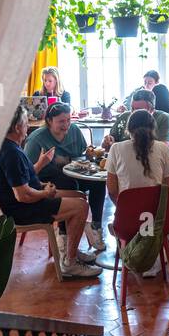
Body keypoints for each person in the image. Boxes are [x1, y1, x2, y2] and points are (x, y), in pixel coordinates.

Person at [0, 104, 100, 278]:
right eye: (26, 123)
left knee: (79, 196)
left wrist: (41, 182)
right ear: (17, 127)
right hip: (23, 209)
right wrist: (45, 193)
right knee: (81, 207)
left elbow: (21, 180)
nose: (28, 127)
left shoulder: (4, 147)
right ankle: (70, 263)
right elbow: (22, 195)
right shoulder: (11, 153)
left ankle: (71, 251)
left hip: (29, 199)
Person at [105, 109, 169, 276]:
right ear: (154, 128)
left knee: (127, 218)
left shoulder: (116, 149)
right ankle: (155, 255)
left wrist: (124, 208)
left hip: (128, 222)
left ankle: (132, 246)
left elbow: (111, 190)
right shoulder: (162, 148)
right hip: (161, 222)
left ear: (128, 129)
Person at [24, 102, 108, 251]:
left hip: (75, 175)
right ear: (49, 121)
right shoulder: (36, 139)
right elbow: (28, 174)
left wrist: (89, 153)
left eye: (68, 120)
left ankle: (96, 227)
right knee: (66, 183)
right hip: (47, 181)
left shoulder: (74, 130)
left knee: (98, 182)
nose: (67, 125)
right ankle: (63, 234)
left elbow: (83, 154)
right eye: (61, 121)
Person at [105, 88, 169, 148]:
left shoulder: (164, 118)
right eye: (132, 109)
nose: (134, 113)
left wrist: (121, 147)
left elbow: (164, 147)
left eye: (139, 110)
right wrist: (108, 141)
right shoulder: (124, 116)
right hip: (122, 160)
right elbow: (112, 138)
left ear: (151, 110)